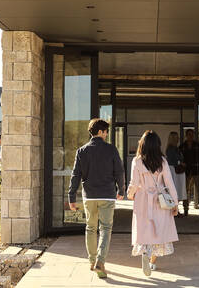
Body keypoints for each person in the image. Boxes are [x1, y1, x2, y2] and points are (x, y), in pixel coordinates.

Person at [68, 118, 125, 279]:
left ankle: (92, 261)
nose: (107, 134)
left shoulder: (82, 151)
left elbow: (75, 175)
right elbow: (119, 171)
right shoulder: (111, 149)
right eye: (106, 131)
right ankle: (100, 261)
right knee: (105, 228)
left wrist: (71, 196)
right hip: (107, 195)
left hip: (89, 196)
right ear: (100, 132)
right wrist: (121, 189)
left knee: (90, 228)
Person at [128, 131, 179, 276]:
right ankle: (152, 262)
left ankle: (145, 251)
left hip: (142, 200)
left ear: (142, 145)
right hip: (160, 200)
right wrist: (175, 203)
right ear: (157, 145)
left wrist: (130, 195)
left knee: (144, 229)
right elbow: (169, 183)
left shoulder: (137, 161)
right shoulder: (163, 161)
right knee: (158, 230)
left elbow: (134, 183)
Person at [179, 129, 199, 216]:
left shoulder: (198, 145)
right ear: (186, 136)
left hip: (196, 170)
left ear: (193, 136)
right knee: (186, 191)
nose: (190, 136)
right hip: (186, 172)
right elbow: (179, 158)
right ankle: (186, 209)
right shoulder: (182, 146)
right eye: (189, 134)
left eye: (192, 134)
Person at [164, 132, 187, 216]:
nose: (178, 139)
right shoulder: (171, 149)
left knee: (176, 191)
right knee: (174, 190)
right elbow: (172, 160)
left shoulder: (175, 148)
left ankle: (174, 209)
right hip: (174, 171)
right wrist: (180, 163)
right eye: (176, 137)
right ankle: (173, 210)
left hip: (177, 172)